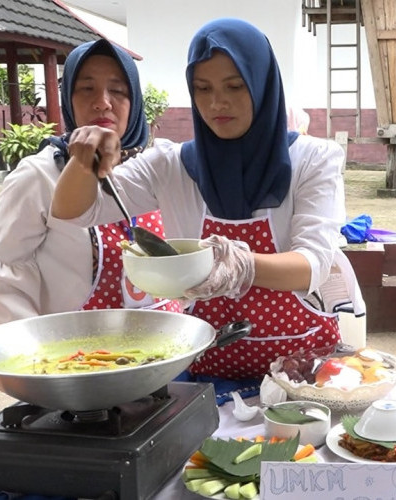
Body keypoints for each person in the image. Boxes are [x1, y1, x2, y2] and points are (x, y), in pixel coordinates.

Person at [51, 18, 355, 386]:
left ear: (262, 85)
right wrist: (84, 159)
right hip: (211, 367)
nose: (217, 102)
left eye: (235, 86)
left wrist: (239, 264)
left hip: (303, 372)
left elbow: (312, 265)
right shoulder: (170, 165)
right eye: (202, 88)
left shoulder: (314, 159)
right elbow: (75, 211)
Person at [0, 39, 180, 330]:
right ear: (69, 99)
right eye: (87, 88)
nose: (102, 101)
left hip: (166, 351)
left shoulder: (153, 168)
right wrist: (41, 358)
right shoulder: (39, 176)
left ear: (134, 102)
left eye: (118, 90)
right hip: (80, 361)